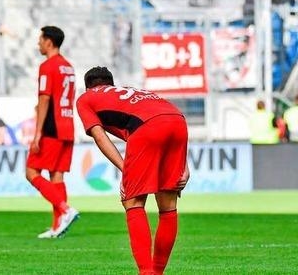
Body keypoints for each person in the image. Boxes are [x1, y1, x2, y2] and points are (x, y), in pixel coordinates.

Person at [76, 66, 190, 275]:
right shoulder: (131, 92)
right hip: (178, 122)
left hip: (147, 128)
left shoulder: (86, 98)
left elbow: (100, 137)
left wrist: (125, 169)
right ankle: (157, 272)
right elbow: (167, 116)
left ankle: (146, 272)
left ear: (87, 87)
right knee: (168, 205)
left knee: (133, 201)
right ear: (111, 84)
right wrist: (185, 165)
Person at [25, 26, 79, 239]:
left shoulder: (48, 66)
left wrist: (37, 134)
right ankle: (58, 226)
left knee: (31, 172)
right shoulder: (69, 67)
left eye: (40, 39)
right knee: (56, 176)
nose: (38, 43)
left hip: (52, 127)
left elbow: (45, 98)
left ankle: (65, 209)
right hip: (67, 125)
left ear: (48, 41)